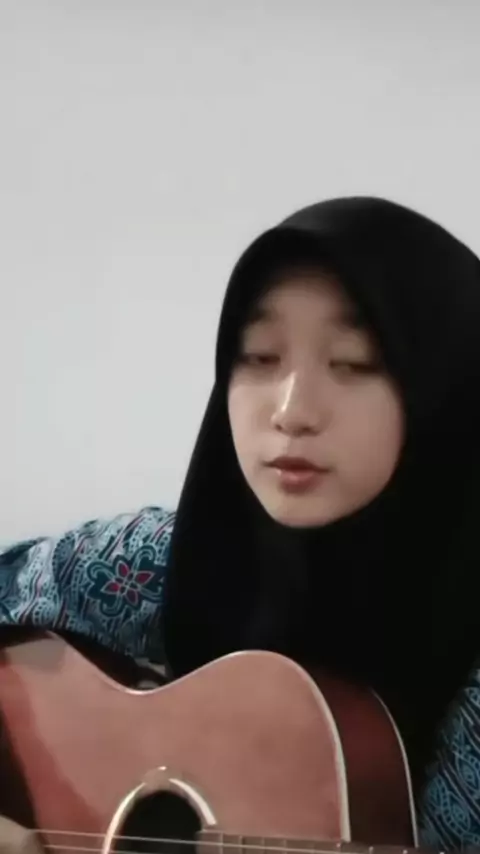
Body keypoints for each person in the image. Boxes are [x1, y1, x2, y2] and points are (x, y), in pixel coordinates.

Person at [1, 195, 480, 851]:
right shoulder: (164, 560)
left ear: (449, 391)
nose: (291, 410)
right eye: (257, 356)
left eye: (353, 362)